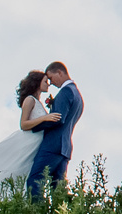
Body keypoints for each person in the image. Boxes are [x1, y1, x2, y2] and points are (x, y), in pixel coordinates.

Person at [25, 60, 83, 201]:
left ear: (59, 72)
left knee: (35, 180)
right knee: (58, 189)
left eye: (51, 78)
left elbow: (58, 119)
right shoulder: (78, 96)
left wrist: (35, 126)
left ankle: (37, 213)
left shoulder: (66, 92)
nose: (51, 83)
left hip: (53, 145)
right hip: (65, 148)